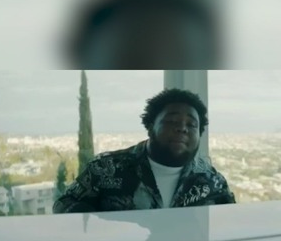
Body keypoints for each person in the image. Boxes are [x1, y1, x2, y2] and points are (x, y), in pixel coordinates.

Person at [53, 88, 235, 213]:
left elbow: (231, 224)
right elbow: (64, 205)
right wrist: (100, 230)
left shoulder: (212, 181)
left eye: (192, 124)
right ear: (150, 126)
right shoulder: (105, 169)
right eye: (172, 121)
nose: (182, 128)